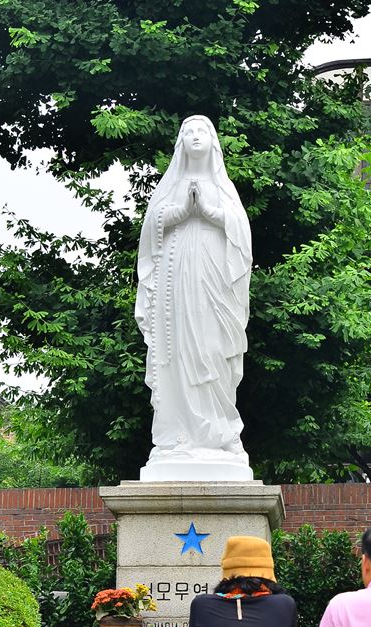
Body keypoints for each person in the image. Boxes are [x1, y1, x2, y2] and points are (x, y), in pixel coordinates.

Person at [135, 115, 252, 477]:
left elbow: (242, 238)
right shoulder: (170, 187)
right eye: (189, 132)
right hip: (177, 283)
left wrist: (213, 214)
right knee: (179, 352)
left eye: (202, 131)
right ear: (181, 143)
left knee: (213, 351)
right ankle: (179, 435)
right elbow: (148, 235)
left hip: (215, 283)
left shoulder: (223, 188)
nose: (195, 137)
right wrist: (182, 212)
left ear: (213, 142)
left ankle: (218, 431)